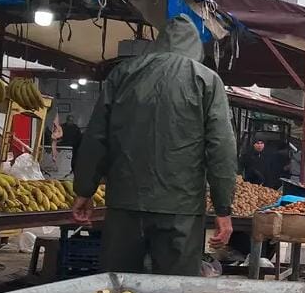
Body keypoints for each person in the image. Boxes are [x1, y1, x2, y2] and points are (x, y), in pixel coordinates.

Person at [72, 14, 236, 276]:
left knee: (117, 285)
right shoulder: (206, 80)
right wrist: (223, 208)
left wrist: (84, 189)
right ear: (195, 47)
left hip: (125, 202)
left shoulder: (123, 74)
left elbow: (96, 136)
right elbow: (221, 148)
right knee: (175, 292)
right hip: (180, 209)